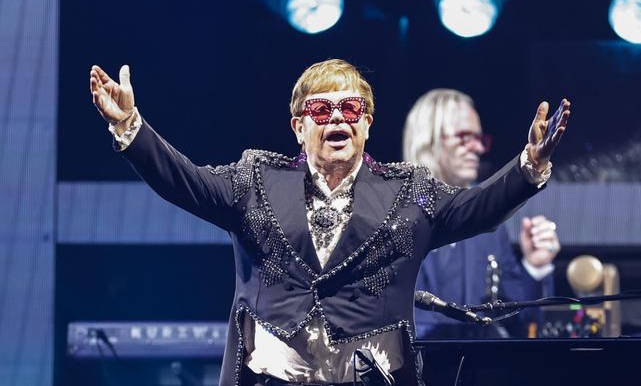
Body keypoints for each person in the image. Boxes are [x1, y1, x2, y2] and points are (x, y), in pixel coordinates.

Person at [89, 59, 570, 386]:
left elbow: (479, 210)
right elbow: (184, 182)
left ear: (366, 124)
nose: (336, 116)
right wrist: (131, 127)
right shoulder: (255, 179)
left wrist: (528, 165)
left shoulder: (409, 190)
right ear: (299, 126)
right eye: (321, 109)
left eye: (350, 108)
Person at [404, 89, 561, 339]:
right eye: (465, 137)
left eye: (480, 138)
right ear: (428, 140)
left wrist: (535, 266)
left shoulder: (490, 223)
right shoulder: (395, 215)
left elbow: (517, 321)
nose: (478, 148)